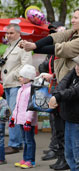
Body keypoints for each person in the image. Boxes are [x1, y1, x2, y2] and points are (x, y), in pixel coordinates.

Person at [19, 7, 79, 171]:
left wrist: (34, 47)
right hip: (62, 84)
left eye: (76, 17)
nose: (73, 20)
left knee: (75, 137)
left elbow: (62, 48)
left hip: (73, 90)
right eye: (73, 17)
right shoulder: (72, 33)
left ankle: (77, 170)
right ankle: (69, 164)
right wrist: (35, 44)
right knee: (62, 128)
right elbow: (56, 36)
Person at [0, 23, 33, 154]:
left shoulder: (23, 47)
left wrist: (13, 75)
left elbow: (26, 65)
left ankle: (15, 144)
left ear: (19, 33)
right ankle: (15, 142)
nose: (8, 35)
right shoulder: (9, 48)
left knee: (14, 113)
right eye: (7, 33)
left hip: (16, 85)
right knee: (10, 114)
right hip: (7, 85)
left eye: (11, 33)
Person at [40, 21, 66, 162]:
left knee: (59, 120)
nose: (51, 34)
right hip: (53, 86)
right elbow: (46, 66)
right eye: (51, 32)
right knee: (53, 119)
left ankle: (57, 149)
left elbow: (66, 71)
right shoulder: (52, 51)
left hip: (61, 87)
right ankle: (54, 146)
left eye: (54, 31)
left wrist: (52, 76)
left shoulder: (64, 49)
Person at [9, 64, 38, 169]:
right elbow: (17, 106)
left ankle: (31, 160)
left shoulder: (30, 90)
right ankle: (25, 159)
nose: (19, 78)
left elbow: (31, 107)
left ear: (28, 78)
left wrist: (28, 121)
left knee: (29, 140)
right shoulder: (21, 89)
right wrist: (13, 118)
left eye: (21, 76)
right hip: (21, 120)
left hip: (27, 121)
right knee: (25, 140)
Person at [0, 84, 11, 165]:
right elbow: (7, 113)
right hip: (1, 123)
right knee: (1, 141)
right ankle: (1, 159)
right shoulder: (3, 101)